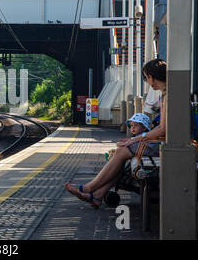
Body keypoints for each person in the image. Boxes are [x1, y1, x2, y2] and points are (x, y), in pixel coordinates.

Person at [64, 59, 167, 209]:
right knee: (121, 153)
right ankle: (97, 196)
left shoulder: (169, 96)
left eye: (146, 78)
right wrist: (135, 140)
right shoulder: (168, 94)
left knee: (121, 151)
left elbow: (163, 129)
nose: (148, 82)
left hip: (167, 146)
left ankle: (89, 189)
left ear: (151, 77)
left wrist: (137, 139)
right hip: (166, 143)